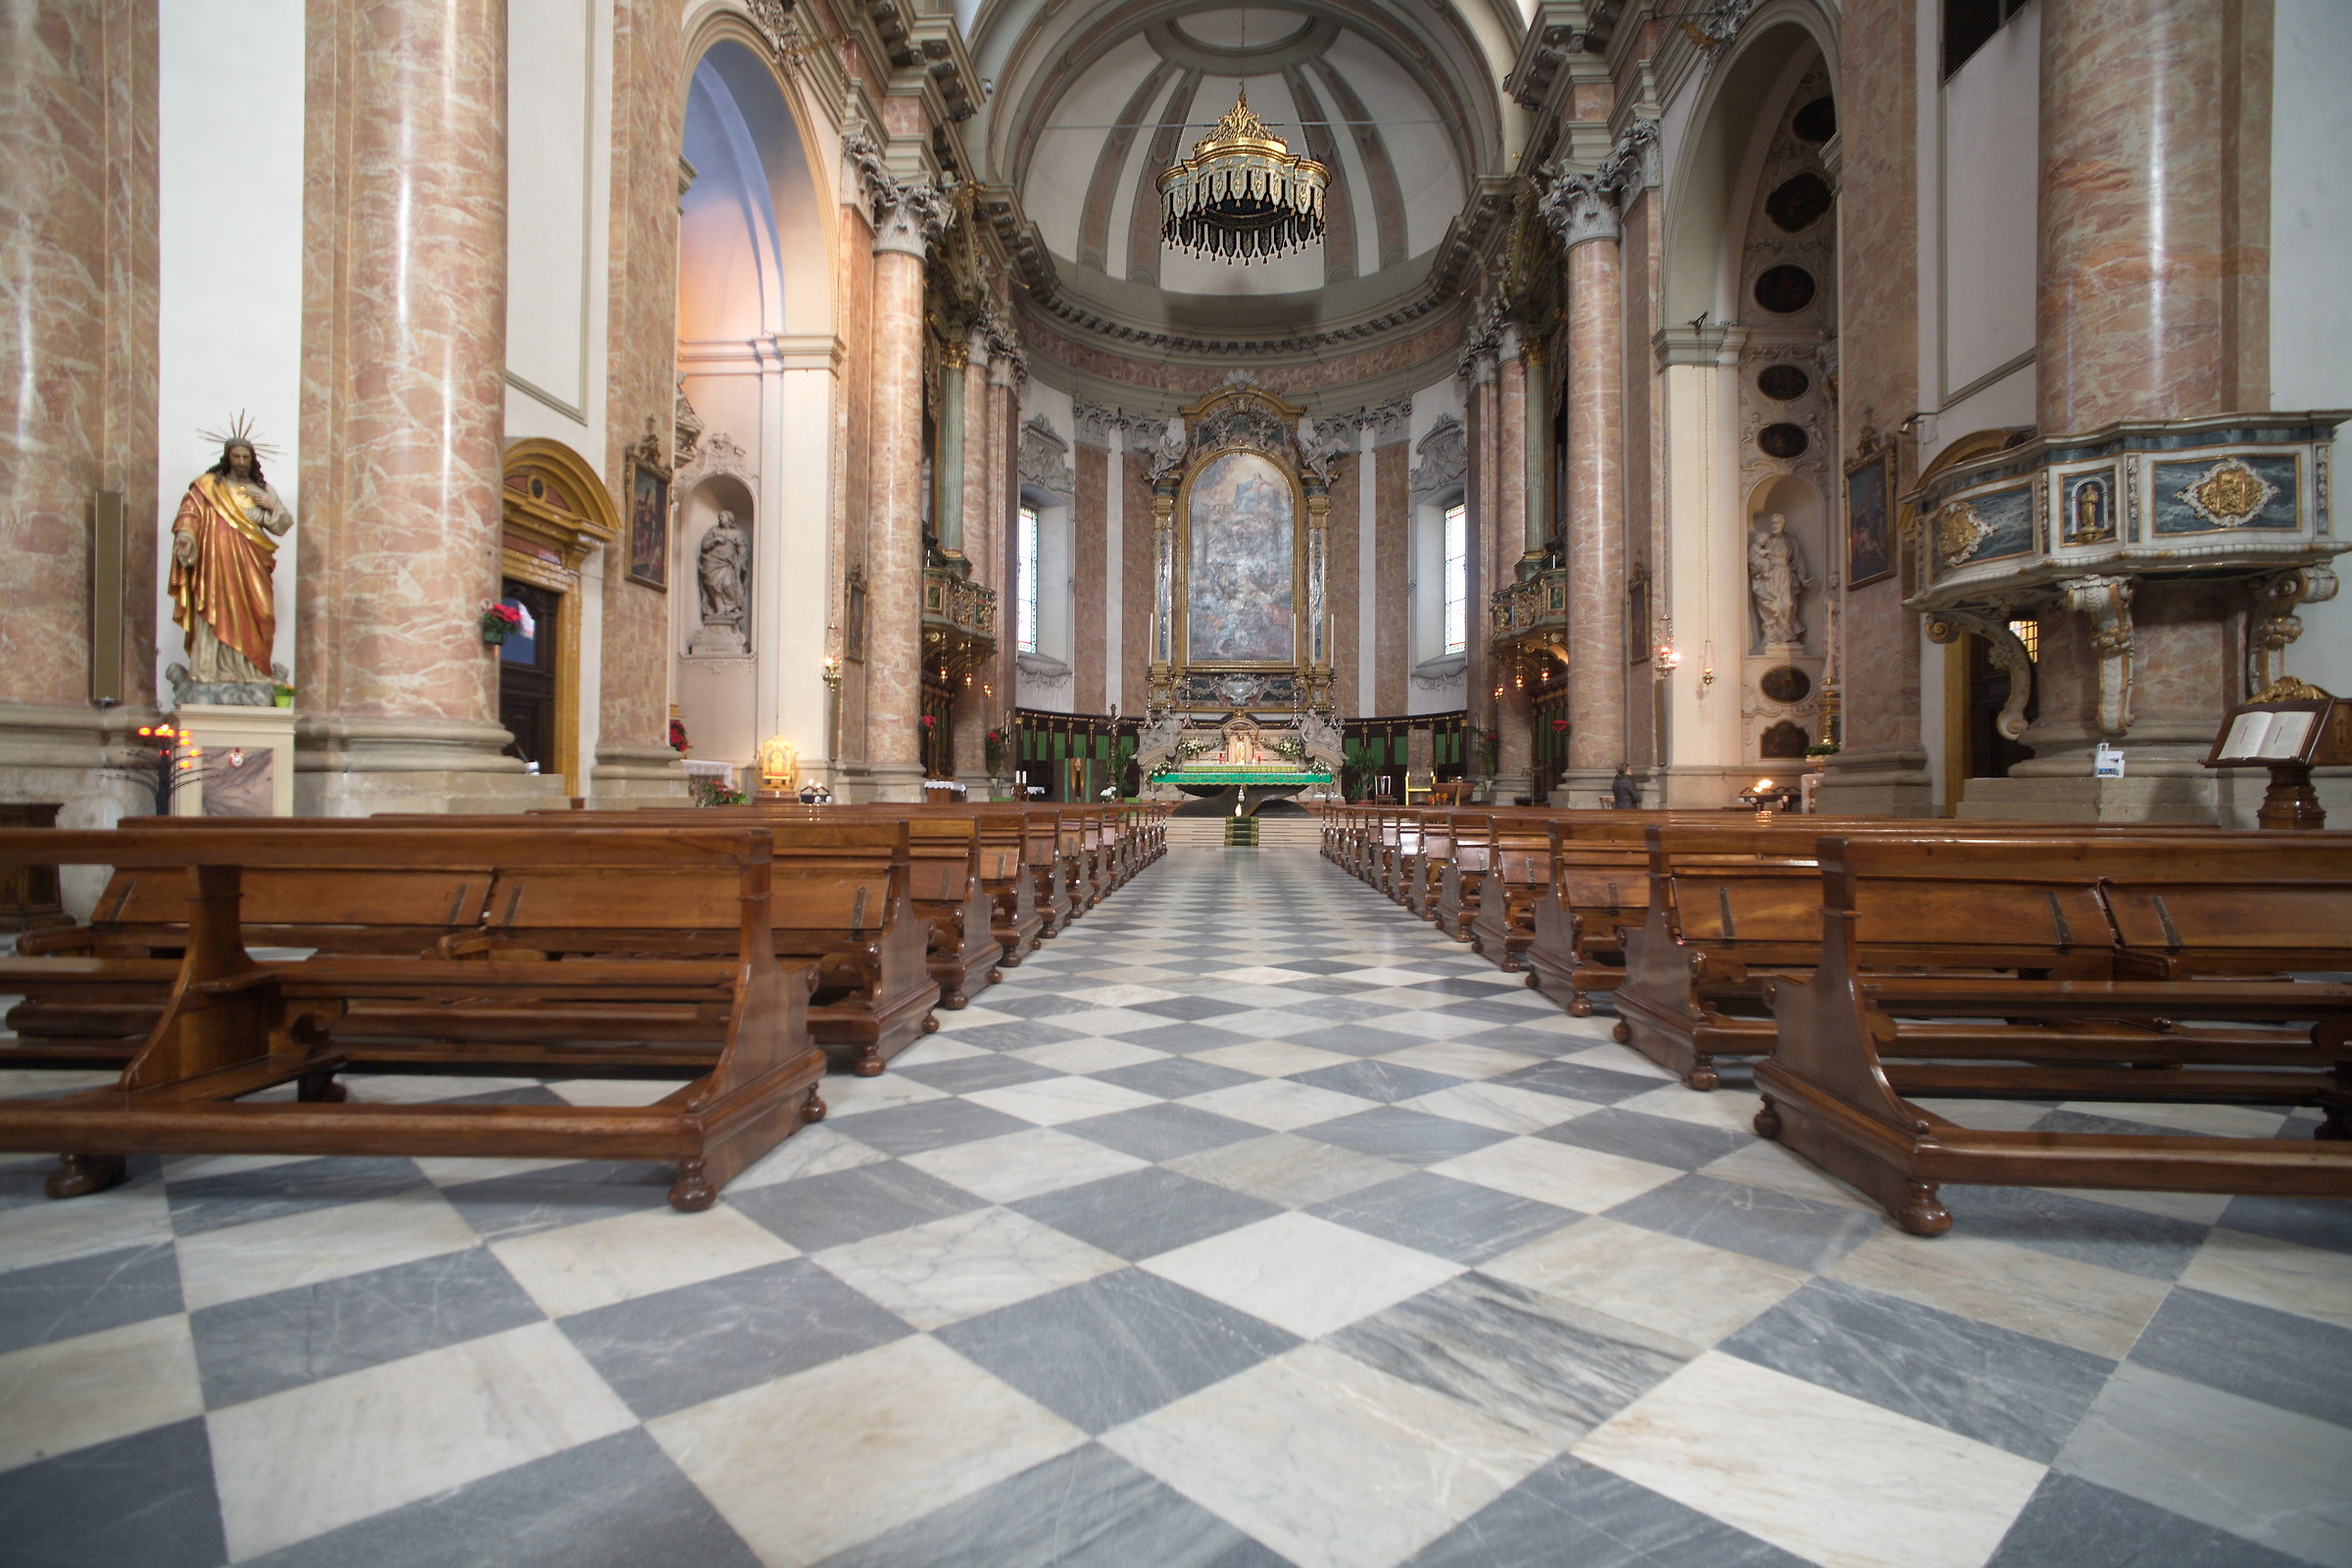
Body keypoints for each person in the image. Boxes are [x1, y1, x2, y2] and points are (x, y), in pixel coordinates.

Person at [170, 437, 293, 688]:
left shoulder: (263, 490)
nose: (241, 462)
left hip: (252, 560)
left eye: (245, 457)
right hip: (216, 561)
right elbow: (190, 512)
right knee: (216, 607)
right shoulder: (208, 487)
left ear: (252, 460)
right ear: (227, 458)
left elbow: (282, 525)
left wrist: (271, 507)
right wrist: (185, 536)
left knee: (264, 613)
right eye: (236, 456)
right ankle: (210, 669)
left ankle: (253, 671)